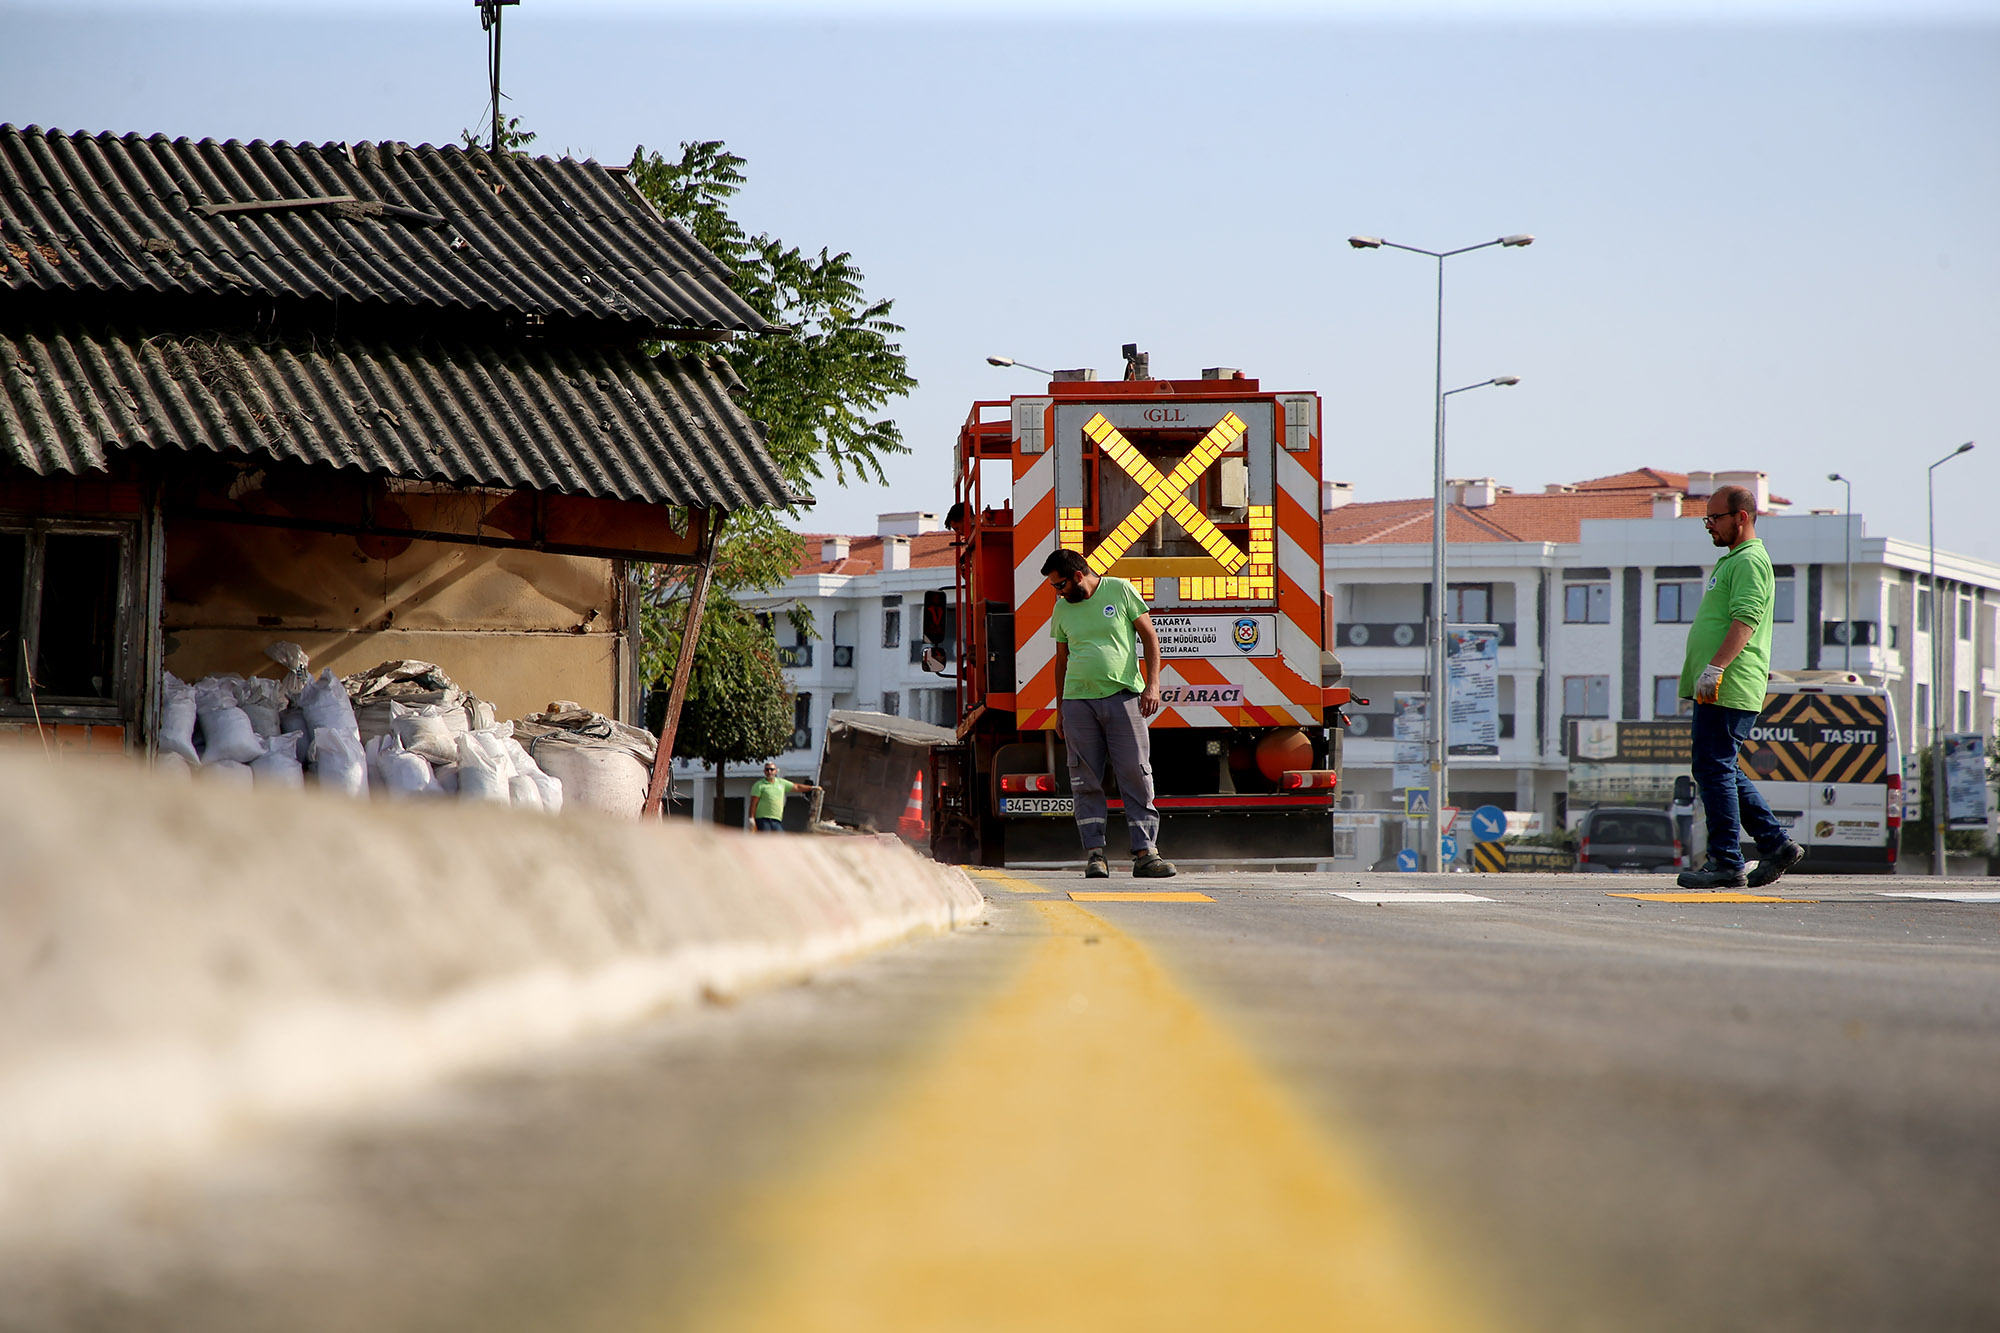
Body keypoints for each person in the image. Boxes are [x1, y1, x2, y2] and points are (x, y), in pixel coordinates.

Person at [1676, 484, 1803, 889]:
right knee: (1719, 767)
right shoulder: (1734, 560)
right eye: (1707, 519)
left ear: (1741, 518)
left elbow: (1745, 620)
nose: (1709, 525)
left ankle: (1728, 862)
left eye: (1715, 518)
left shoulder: (1750, 561)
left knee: (1714, 768)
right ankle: (1775, 845)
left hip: (1727, 682)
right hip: (1719, 684)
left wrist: (1715, 668)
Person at [1042, 548, 1175, 879]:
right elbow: (1061, 661)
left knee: (1136, 774)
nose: (1057, 593)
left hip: (1123, 698)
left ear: (1077, 576)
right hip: (1077, 704)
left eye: (1059, 585)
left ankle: (1146, 854)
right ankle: (1095, 855)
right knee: (1084, 779)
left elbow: (1150, 637)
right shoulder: (1062, 607)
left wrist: (1152, 685)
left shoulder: (1120, 590)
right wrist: (1060, 709)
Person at [749, 762, 814, 833]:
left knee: (780, 840)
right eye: (767, 770)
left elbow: (797, 787)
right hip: (763, 819)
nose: (769, 772)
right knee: (766, 841)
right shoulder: (759, 785)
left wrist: (812, 788)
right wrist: (752, 819)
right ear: (764, 771)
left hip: (776, 820)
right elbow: (753, 803)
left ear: (776, 771)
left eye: (771, 769)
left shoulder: (781, 783)